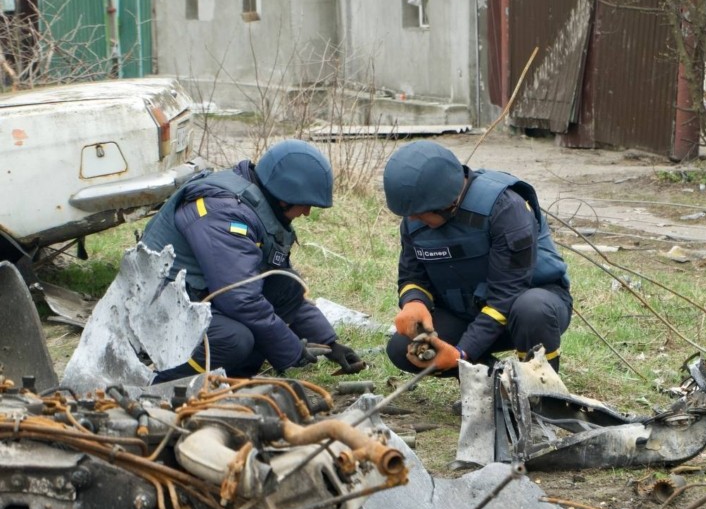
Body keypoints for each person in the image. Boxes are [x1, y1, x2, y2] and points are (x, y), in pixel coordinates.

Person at [140, 139, 362, 383]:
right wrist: (291, 350)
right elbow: (240, 299)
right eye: (305, 204)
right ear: (284, 195)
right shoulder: (224, 213)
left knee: (286, 284)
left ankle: (229, 375)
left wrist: (330, 344)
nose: (307, 213)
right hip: (158, 310)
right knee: (234, 339)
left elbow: (279, 286)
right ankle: (159, 380)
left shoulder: (254, 205)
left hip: (194, 296)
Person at [382, 140, 572, 376]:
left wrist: (462, 353)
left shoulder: (505, 208)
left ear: (447, 203)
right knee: (403, 349)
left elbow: (506, 296)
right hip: (468, 312)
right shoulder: (418, 214)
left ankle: (539, 386)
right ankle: (491, 381)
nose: (412, 221)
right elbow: (412, 275)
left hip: (525, 309)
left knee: (531, 309)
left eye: (419, 214)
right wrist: (414, 302)